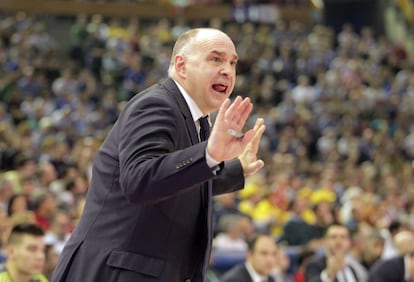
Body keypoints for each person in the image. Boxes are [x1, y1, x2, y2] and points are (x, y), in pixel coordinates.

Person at [52, 27, 266, 282]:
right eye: (216, 59)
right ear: (181, 65)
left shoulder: (198, 121)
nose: (227, 71)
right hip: (114, 272)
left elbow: (181, 182)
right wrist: (208, 154)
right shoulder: (157, 104)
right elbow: (139, 180)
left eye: (232, 63)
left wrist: (235, 168)